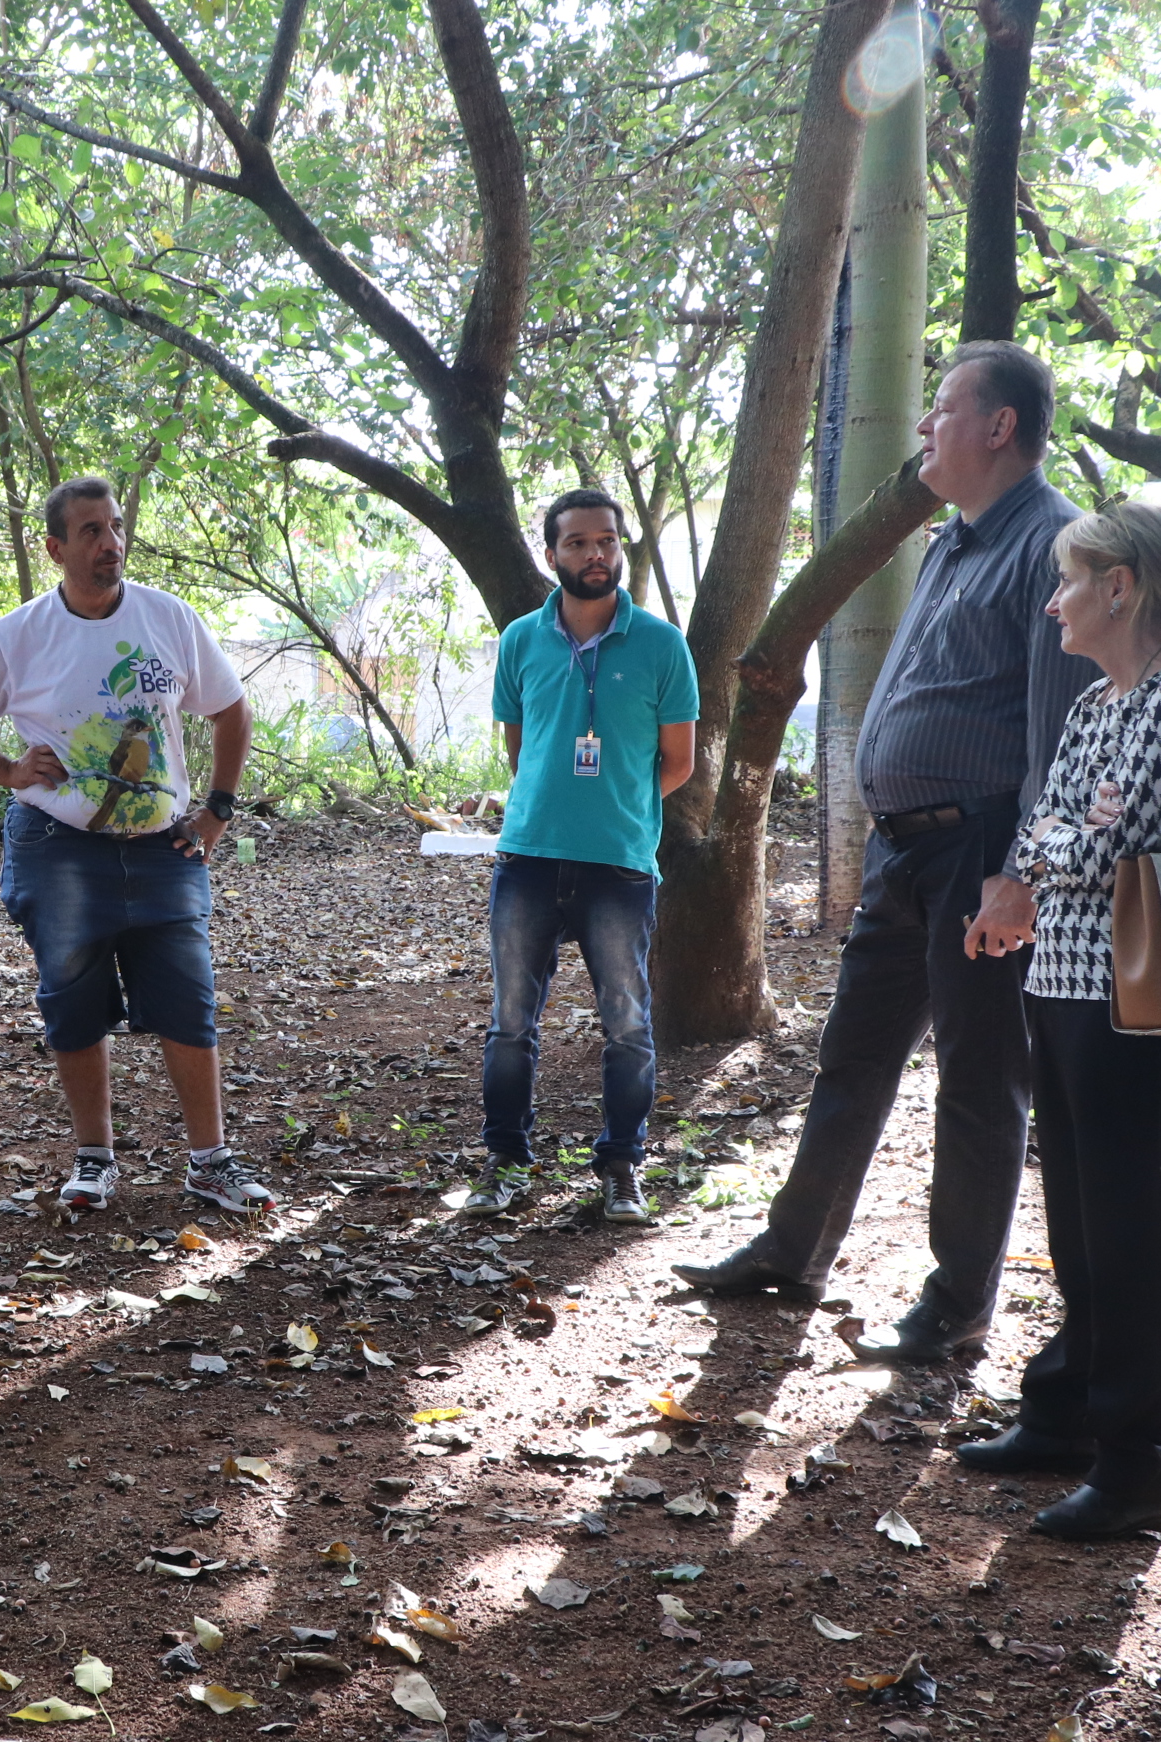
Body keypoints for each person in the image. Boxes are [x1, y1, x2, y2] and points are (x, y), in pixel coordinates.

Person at [675, 342, 1092, 1363]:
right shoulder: (953, 541)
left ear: (999, 428)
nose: (923, 428)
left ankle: (956, 1307)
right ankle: (793, 1249)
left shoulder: (1056, 546)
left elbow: (1059, 732)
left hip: (981, 856)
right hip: (904, 856)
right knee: (851, 1059)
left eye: (942, 408)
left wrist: (1021, 876)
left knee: (978, 1081)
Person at [953, 501, 1161, 1538]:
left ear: (1121, 586)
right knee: (1077, 1221)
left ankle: (1134, 1464)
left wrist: (1050, 855)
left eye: (1069, 581)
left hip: (1139, 1000)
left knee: (1131, 1229)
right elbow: (1054, 823)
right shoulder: (1095, 705)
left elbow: (1132, 847)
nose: (1053, 602)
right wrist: (1058, 847)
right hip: (1063, 984)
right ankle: (1069, 1412)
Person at [0, 474, 277, 1217]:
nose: (110, 544)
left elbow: (231, 710)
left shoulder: (168, 619)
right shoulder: (20, 635)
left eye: (115, 528)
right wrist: (6, 770)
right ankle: (94, 1160)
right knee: (74, 1000)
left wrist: (217, 811)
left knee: (188, 998)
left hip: (163, 848)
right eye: (91, 532)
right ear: (55, 548)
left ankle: (210, 1163)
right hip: (60, 847)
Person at [465, 490, 698, 1224]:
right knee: (510, 1024)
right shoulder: (519, 641)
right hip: (528, 858)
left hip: (620, 864)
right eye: (577, 544)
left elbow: (679, 762)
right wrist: (556, 805)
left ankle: (622, 1169)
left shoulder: (663, 644)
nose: (595, 555)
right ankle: (504, 1164)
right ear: (551, 555)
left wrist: (618, 809)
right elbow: (520, 750)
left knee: (626, 1024)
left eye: (607, 542)